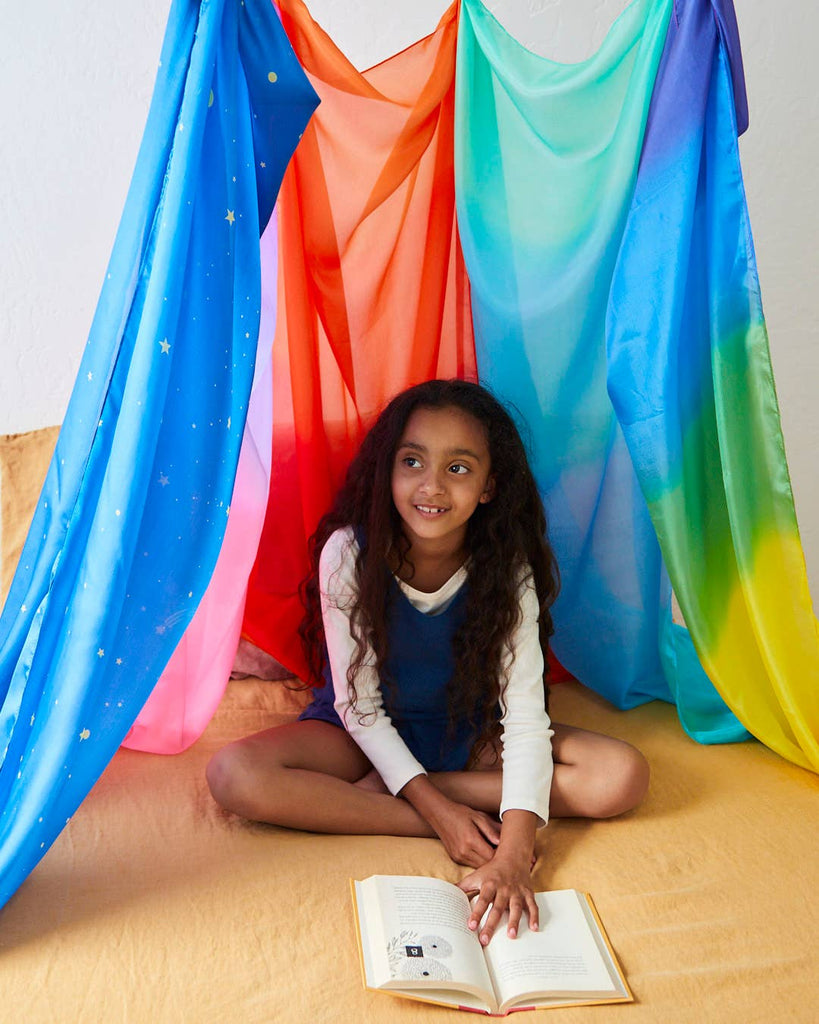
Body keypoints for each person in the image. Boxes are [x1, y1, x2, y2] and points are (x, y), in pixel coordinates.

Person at [207, 379, 649, 945]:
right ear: (387, 469)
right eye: (412, 461)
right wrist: (439, 815)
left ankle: (409, 789)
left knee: (622, 776)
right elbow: (358, 708)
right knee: (233, 773)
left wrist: (514, 854)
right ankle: (417, 805)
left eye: (459, 468)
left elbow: (524, 718)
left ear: (490, 486)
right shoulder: (348, 553)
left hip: (469, 729)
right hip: (359, 733)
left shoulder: (508, 570)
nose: (432, 486)